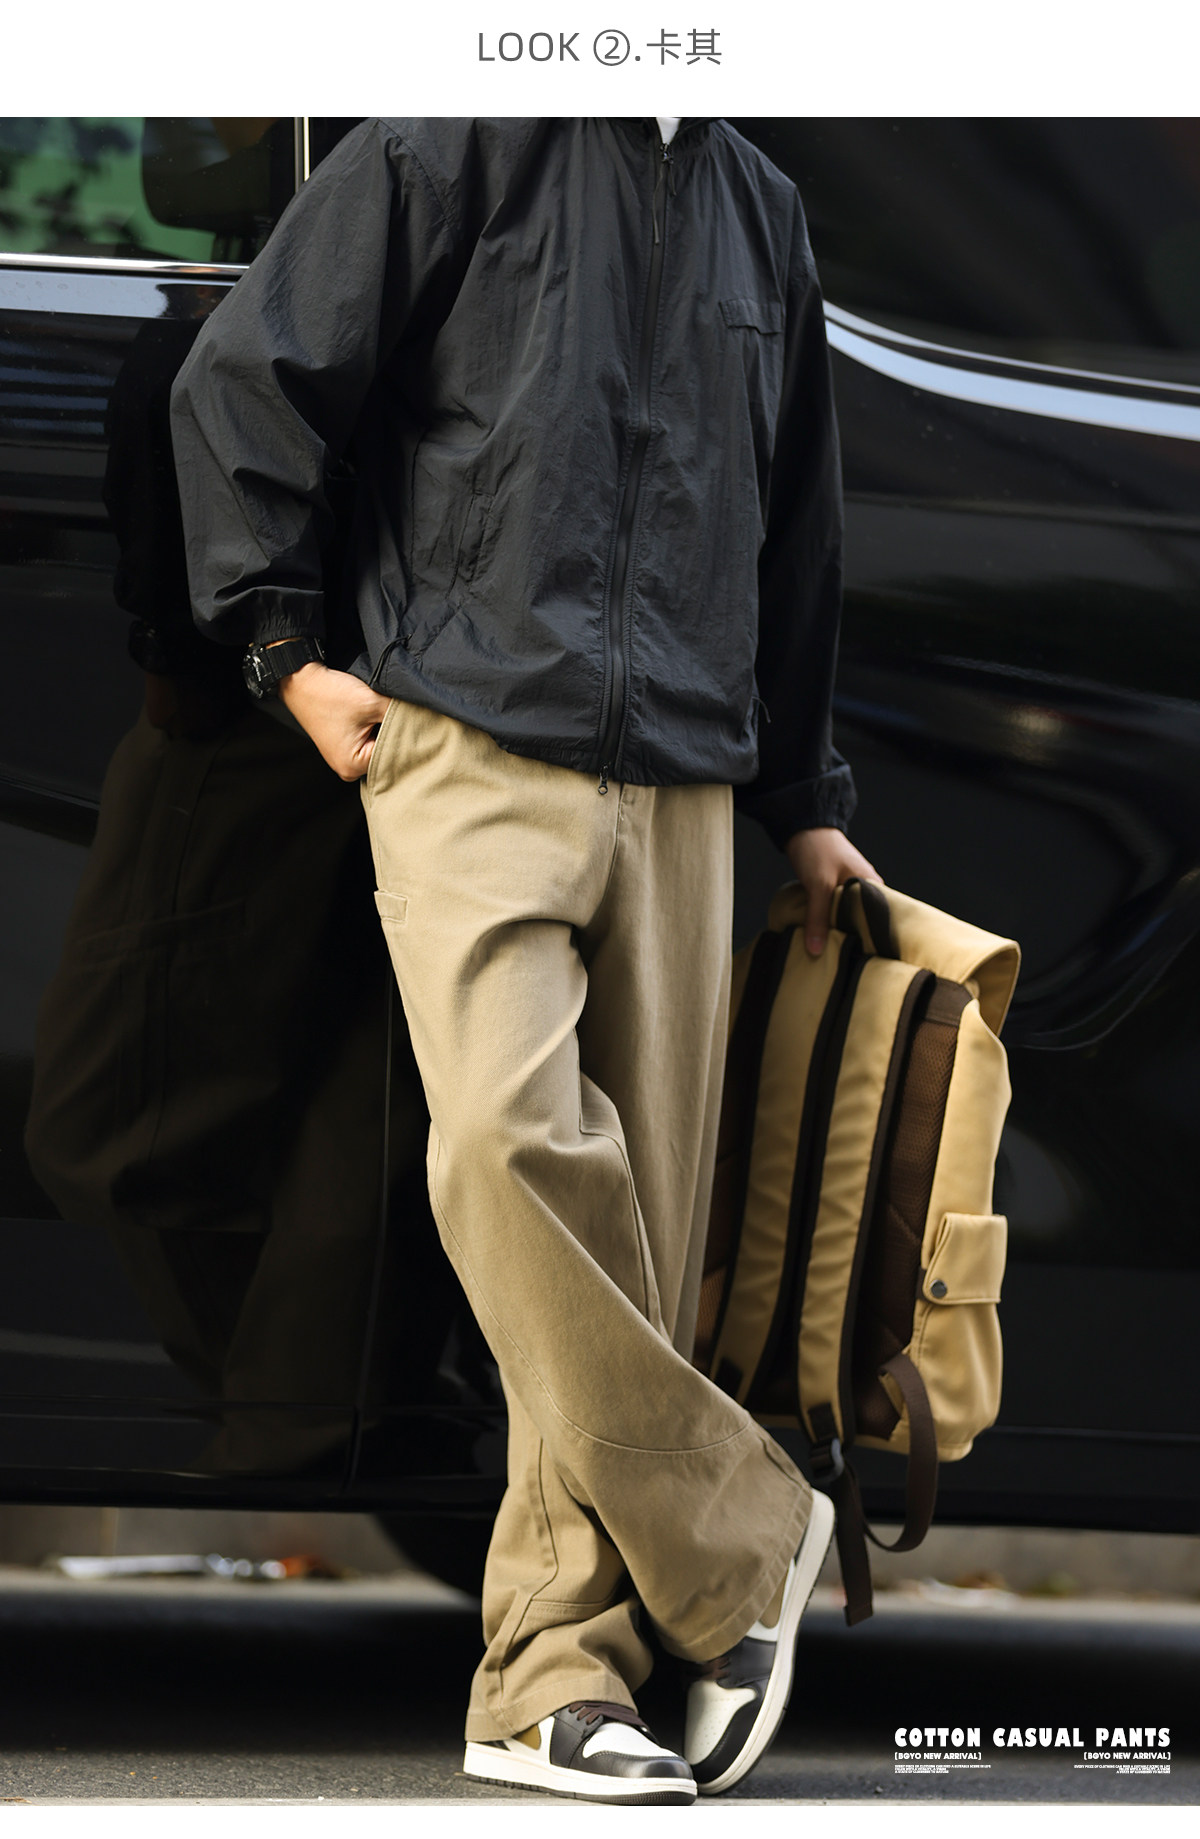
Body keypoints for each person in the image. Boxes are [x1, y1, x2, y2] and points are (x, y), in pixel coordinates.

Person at [170, 115, 878, 1806]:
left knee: (636, 1245)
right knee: (503, 1147)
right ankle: (737, 1530)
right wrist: (285, 650)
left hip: (690, 785)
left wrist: (802, 804)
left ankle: (554, 1683)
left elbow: (796, 520)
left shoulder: (761, 207)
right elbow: (242, 380)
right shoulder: (449, 142)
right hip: (471, 741)